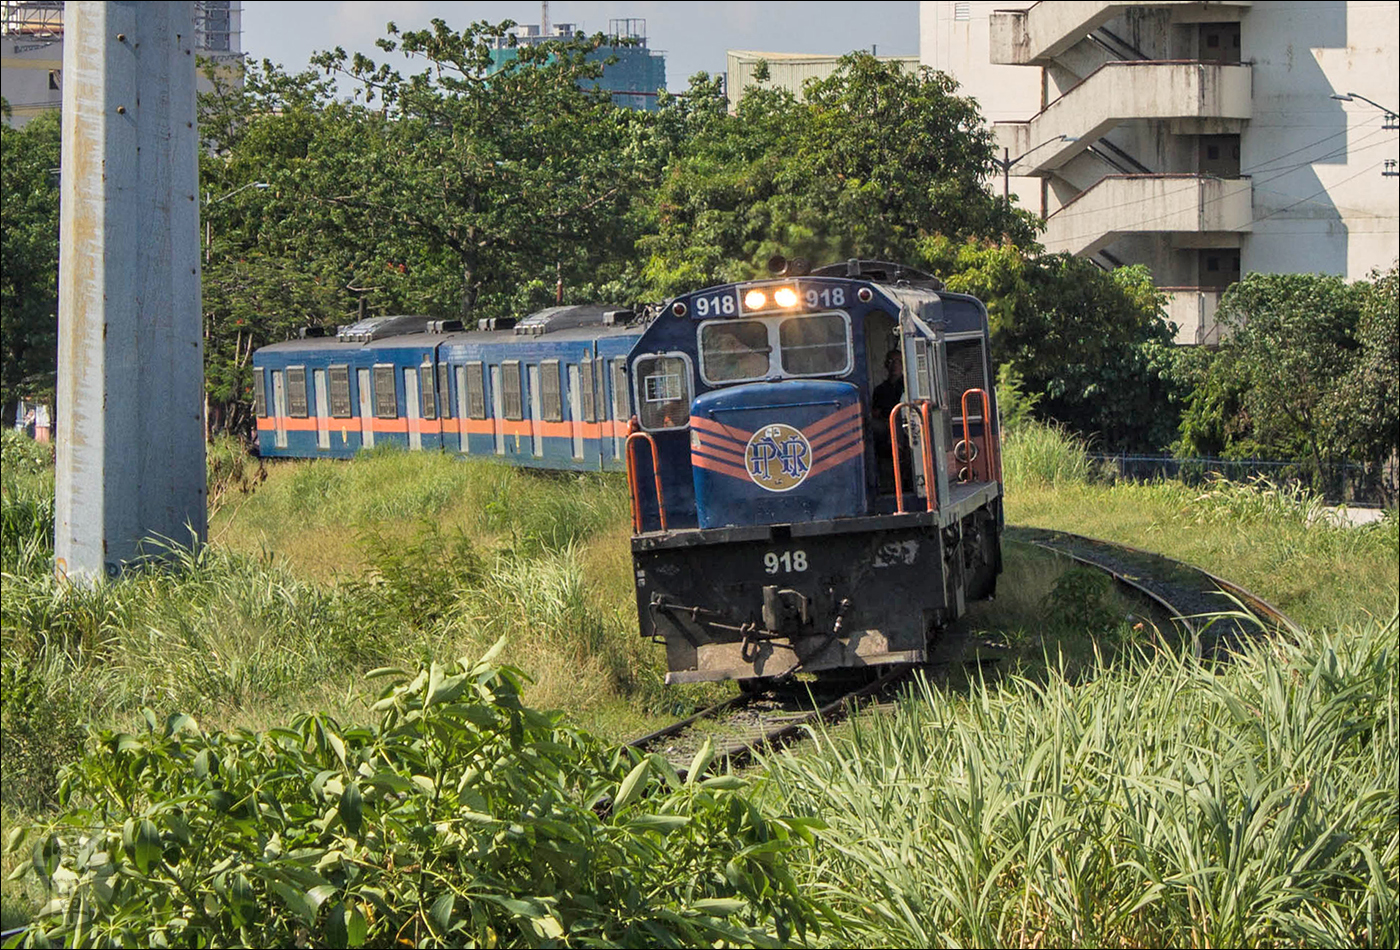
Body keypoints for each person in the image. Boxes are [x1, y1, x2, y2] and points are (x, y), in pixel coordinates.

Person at [871, 349, 909, 493]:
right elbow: (875, 412)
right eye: (891, 362)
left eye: (898, 361)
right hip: (885, 426)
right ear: (886, 365)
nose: (895, 365)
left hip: (906, 425)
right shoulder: (880, 390)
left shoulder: (909, 386)